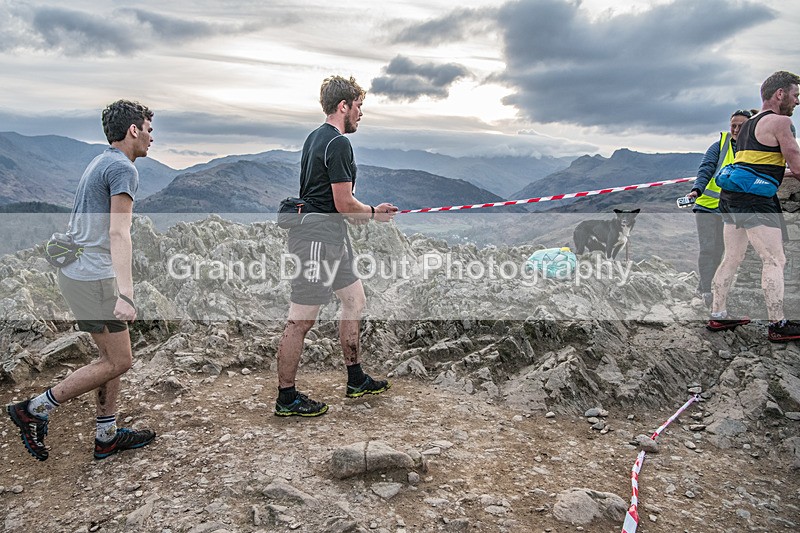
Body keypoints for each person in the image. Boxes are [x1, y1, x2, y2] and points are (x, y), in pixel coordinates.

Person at [6, 100, 157, 460]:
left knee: (110, 356)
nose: (152, 138)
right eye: (149, 130)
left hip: (76, 275)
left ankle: (106, 434)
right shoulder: (123, 169)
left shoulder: (101, 159)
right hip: (95, 278)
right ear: (133, 130)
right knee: (120, 361)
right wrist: (127, 294)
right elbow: (119, 234)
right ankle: (35, 409)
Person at [274, 76, 398, 417]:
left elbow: (333, 200)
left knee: (354, 299)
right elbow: (343, 203)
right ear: (343, 106)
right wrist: (374, 213)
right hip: (316, 239)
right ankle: (286, 398)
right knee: (301, 319)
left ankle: (355, 378)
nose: (361, 114)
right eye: (358, 106)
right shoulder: (339, 144)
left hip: (330, 237)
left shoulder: (314, 138)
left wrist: (360, 212)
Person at [708, 71, 800, 342]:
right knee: (774, 260)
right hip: (756, 201)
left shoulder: (747, 124)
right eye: (796, 95)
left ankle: (718, 313)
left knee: (732, 257)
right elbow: (796, 165)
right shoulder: (781, 122)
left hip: (731, 196)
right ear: (780, 94)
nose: (797, 102)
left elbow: (758, 162)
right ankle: (777, 324)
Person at [687, 109, 756, 307]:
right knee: (709, 249)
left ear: (749, 128)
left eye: (740, 126)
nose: (735, 129)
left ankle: (712, 289)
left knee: (726, 253)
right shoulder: (718, 146)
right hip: (707, 207)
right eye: (733, 125)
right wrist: (697, 190)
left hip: (732, 209)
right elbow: (706, 168)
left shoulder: (753, 149)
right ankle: (705, 292)